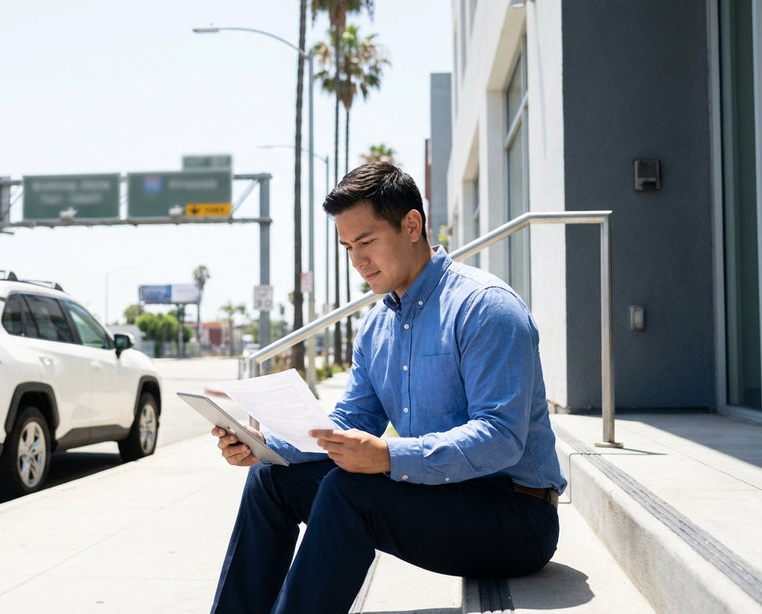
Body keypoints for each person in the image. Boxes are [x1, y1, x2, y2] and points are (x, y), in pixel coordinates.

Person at [210, 161, 567, 614]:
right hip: (438, 497)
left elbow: (502, 438)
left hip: (516, 516)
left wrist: (387, 456)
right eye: (347, 247)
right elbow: (351, 421)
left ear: (411, 225)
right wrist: (266, 444)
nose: (357, 260)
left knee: (348, 491)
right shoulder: (378, 324)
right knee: (270, 480)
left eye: (366, 241)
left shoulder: (485, 307)